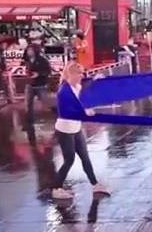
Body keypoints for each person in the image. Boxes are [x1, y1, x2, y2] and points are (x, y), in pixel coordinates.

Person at [51, 62, 110, 199]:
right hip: (65, 130)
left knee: (85, 157)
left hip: (76, 128)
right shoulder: (64, 92)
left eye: (82, 73)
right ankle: (56, 188)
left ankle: (95, 185)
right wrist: (85, 111)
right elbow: (71, 109)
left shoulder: (76, 86)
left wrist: (96, 81)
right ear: (71, 74)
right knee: (69, 160)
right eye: (79, 73)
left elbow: (86, 87)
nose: (82, 76)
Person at [24, 45, 53, 124]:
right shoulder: (27, 60)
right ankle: (29, 123)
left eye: (30, 50)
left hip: (40, 85)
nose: (28, 52)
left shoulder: (42, 60)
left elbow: (48, 71)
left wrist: (39, 74)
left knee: (47, 103)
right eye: (28, 50)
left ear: (35, 51)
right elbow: (27, 71)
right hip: (30, 85)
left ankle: (57, 117)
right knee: (28, 105)